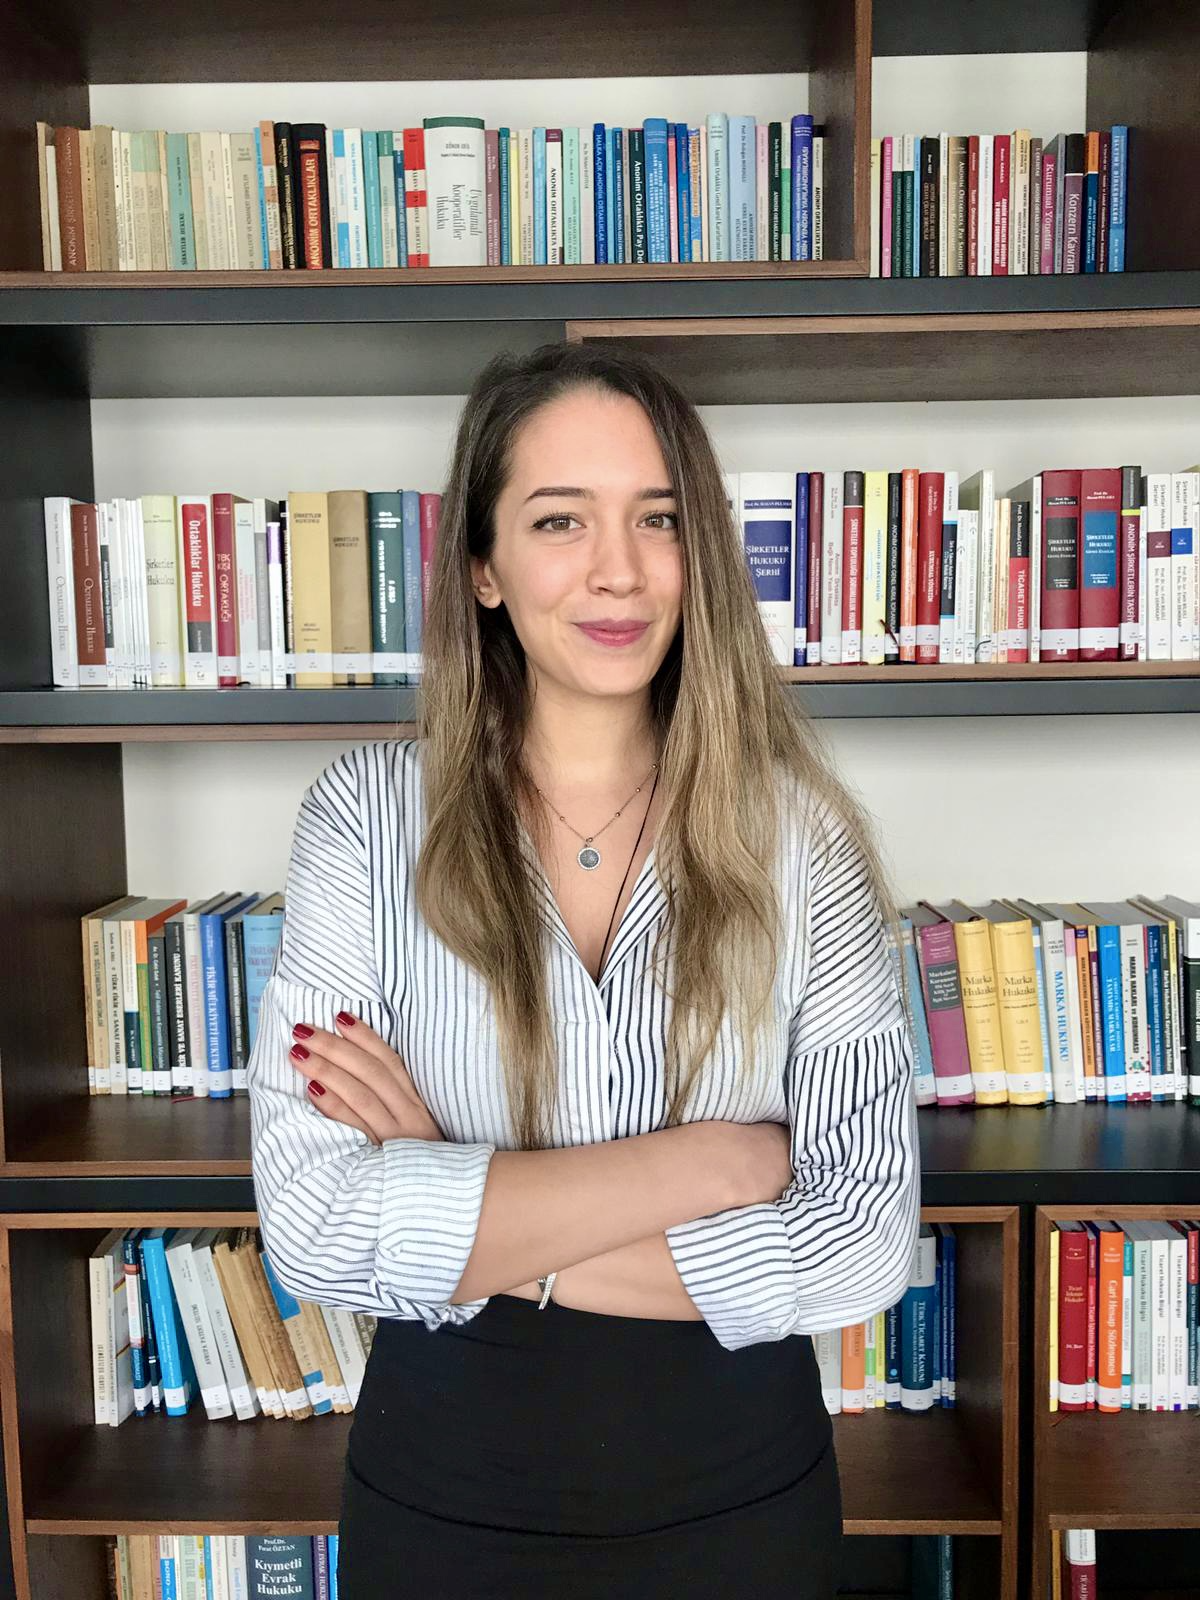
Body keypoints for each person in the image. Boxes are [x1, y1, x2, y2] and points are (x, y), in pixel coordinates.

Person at [246, 339, 920, 1599]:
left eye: (657, 519)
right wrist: (708, 1165)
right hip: (446, 1504)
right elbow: (319, 1229)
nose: (619, 570)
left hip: (744, 1506)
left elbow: (861, 1243)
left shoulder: (798, 837)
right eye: (561, 519)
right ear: (485, 568)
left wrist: (466, 1200)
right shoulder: (363, 820)